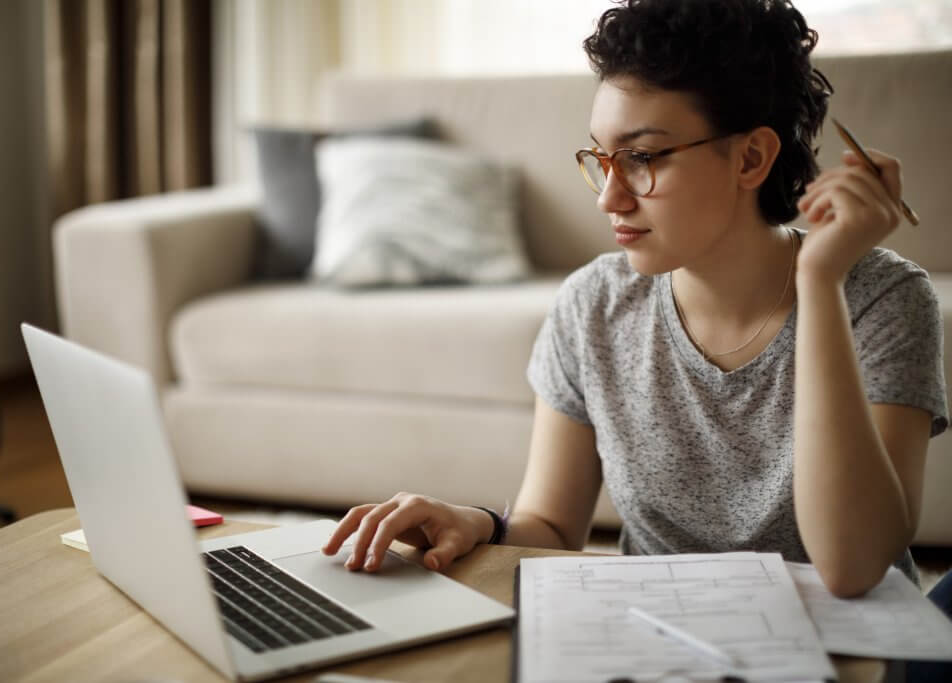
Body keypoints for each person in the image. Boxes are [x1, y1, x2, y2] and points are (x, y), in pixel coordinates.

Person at [321, 0, 948, 599]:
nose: (609, 197)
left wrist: (820, 284)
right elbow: (554, 530)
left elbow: (853, 568)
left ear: (752, 157)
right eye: (602, 158)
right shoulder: (593, 303)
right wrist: (477, 522)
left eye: (643, 157)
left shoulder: (882, 299)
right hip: (652, 642)